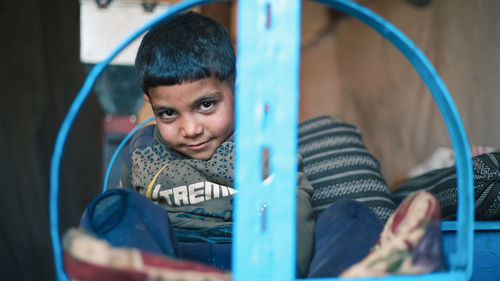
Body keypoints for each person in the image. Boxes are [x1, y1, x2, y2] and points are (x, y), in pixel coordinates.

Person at [78, 11, 442, 279]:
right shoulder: (142, 151)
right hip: (174, 262)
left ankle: (364, 270)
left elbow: (291, 209)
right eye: (168, 114)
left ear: (237, 91)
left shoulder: (263, 143)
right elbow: (131, 222)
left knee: (350, 215)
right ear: (150, 104)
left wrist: (283, 269)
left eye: (206, 105)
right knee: (115, 207)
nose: (190, 128)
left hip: (254, 260)